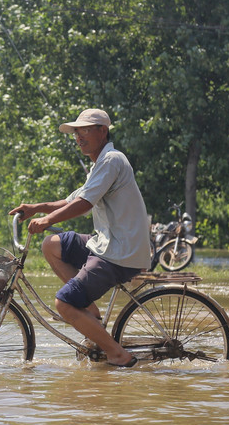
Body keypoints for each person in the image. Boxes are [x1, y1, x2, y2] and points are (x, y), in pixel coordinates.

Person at [10, 108, 151, 368]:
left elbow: (84, 204)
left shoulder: (112, 160)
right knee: (52, 245)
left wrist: (47, 221)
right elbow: (71, 200)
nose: (79, 137)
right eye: (76, 132)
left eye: (85, 130)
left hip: (120, 252)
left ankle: (118, 354)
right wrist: (36, 208)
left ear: (103, 131)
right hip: (107, 243)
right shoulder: (100, 164)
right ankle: (90, 311)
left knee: (63, 303)